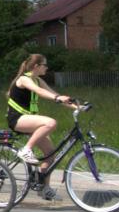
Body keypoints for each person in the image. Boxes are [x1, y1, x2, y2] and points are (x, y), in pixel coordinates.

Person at [7, 54, 76, 199]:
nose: (47, 67)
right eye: (45, 65)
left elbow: (54, 94)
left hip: (28, 119)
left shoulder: (38, 80)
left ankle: (44, 188)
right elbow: (40, 92)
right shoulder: (24, 79)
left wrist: (77, 107)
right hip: (17, 119)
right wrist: (57, 98)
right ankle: (26, 150)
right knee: (50, 122)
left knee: (50, 154)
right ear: (36, 66)